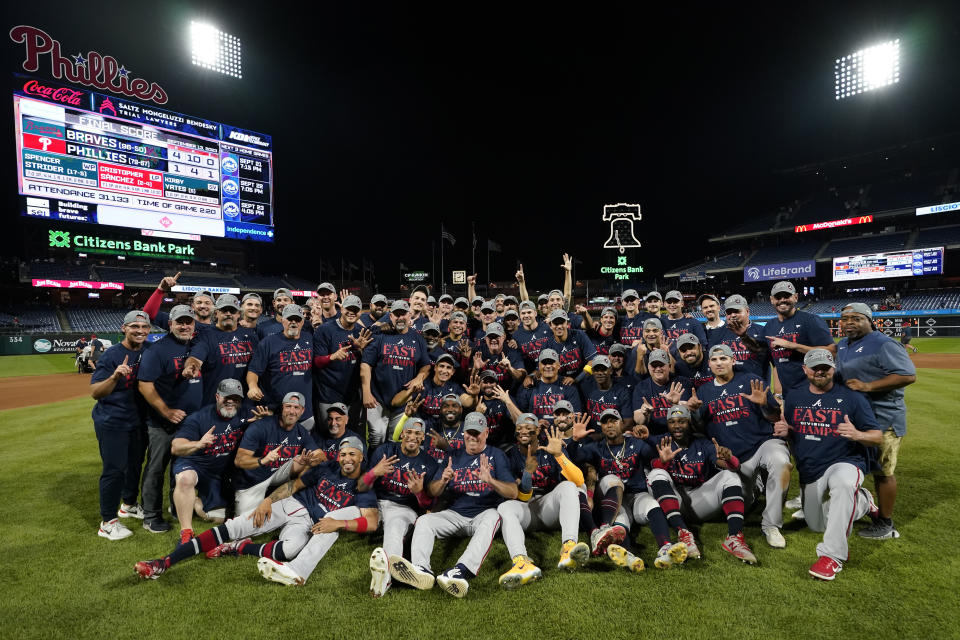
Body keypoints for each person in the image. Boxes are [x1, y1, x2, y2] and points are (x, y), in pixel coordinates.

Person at [135, 436, 378, 586]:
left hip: (309, 524)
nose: (346, 458)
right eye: (343, 453)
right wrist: (267, 501)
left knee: (290, 550)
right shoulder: (327, 468)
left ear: (361, 457)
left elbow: (372, 522)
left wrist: (339, 525)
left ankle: (239, 547)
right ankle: (164, 562)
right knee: (233, 526)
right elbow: (294, 485)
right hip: (291, 505)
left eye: (352, 454)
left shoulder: (364, 486)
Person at [773, 349, 883, 580]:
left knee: (843, 484)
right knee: (818, 524)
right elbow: (794, 431)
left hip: (845, 461)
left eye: (825, 367)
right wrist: (787, 431)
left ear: (833, 369)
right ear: (805, 370)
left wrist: (857, 435)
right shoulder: (795, 396)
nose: (820, 371)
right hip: (812, 468)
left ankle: (832, 557)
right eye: (815, 367)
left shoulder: (853, 398)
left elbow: (877, 436)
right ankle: (863, 501)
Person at [388, 413, 517, 598]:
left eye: (477, 433)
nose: (472, 437)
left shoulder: (496, 455)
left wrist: (491, 480)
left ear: (487, 433)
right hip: (455, 514)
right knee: (424, 521)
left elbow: (512, 492)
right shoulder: (454, 456)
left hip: (483, 513)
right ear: (463, 434)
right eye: (469, 433)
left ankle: (460, 571)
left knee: (494, 517)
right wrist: (443, 480)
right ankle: (421, 569)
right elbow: (432, 492)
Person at [693, 344, 789, 549]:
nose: (719, 363)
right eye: (715, 360)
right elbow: (701, 428)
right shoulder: (704, 391)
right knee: (743, 505)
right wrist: (694, 413)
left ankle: (771, 525)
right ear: (709, 364)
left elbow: (774, 416)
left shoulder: (749, 380)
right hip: (733, 458)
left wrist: (764, 403)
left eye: (724, 359)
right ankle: (757, 486)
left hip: (761, 444)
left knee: (780, 462)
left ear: (733, 360)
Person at [835, 303, 916, 540]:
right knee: (854, 466)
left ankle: (886, 523)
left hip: (884, 417)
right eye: (844, 318)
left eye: (856, 318)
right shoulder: (843, 344)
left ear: (870, 321)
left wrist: (868, 386)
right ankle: (864, 505)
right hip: (856, 417)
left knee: (883, 472)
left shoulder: (884, 343)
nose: (849, 322)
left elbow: (908, 375)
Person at [568, 409, 686, 570]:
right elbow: (572, 459)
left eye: (614, 421)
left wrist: (662, 461)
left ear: (622, 424)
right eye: (605, 422)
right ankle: (627, 553)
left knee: (653, 506)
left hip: (637, 494)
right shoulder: (596, 447)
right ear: (601, 427)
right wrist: (574, 440)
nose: (609, 425)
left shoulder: (636, 444)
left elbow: (654, 461)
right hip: (615, 500)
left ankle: (665, 548)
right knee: (619, 518)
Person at [646, 405, 757, 565]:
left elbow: (732, 466)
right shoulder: (661, 441)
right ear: (667, 424)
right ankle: (683, 533)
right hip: (672, 500)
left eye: (682, 421)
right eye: (672, 422)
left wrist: (729, 459)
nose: (677, 426)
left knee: (730, 475)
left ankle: (734, 538)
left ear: (689, 422)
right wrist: (662, 462)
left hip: (698, 501)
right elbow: (649, 464)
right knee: (656, 473)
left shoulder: (702, 443)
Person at [497, 415, 590, 588]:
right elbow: (521, 496)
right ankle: (521, 562)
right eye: (520, 427)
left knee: (569, 487)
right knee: (504, 507)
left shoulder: (552, 446)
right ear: (515, 431)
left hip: (549, 508)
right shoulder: (509, 455)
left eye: (529, 427)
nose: (524, 431)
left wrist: (559, 455)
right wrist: (527, 474)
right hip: (526, 510)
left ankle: (569, 548)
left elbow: (579, 481)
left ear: (538, 430)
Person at [170, 379, 265, 543]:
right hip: (195, 465)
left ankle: (192, 502)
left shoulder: (247, 413)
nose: (230, 402)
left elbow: (270, 418)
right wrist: (198, 444)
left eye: (235, 398)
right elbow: (176, 447)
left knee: (218, 518)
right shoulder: (199, 418)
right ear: (217, 397)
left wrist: (263, 421)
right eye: (226, 397)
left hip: (218, 474)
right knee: (186, 479)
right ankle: (186, 532)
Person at [137, 305, 204, 533]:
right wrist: (165, 411)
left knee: (182, 468)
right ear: (170, 324)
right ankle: (151, 515)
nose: (185, 326)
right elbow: (144, 384)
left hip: (191, 423)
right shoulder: (157, 350)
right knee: (156, 468)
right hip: (163, 423)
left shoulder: (197, 345)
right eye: (180, 322)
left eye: (189, 322)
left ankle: (177, 508)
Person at [91, 310, 152, 540]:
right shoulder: (112, 355)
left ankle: (128, 505)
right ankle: (107, 522)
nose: (140, 330)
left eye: (144, 327)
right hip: (112, 420)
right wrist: (115, 377)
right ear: (123, 329)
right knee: (114, 469)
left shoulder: (150, 351)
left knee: (135, 464)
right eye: (134, 326)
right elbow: (96, 392)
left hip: (137, 420)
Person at [362, 416, 439, 597]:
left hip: (403, 508)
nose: (412, 437)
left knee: (394, 529)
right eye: (409, 432)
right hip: (377, 503)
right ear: (402, 433)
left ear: (422, 438)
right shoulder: (385, 451)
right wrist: (375, 472)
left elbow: (429, 505)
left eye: (418, 434)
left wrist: (419, 492)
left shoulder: (429, 463)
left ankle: (386, 576)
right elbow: (362, 485)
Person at [232, 392, 318, 514]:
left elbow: (320, 455)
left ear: (302, 411)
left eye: (296, 407)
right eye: (288, 406)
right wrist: (263, 460)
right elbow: (239, 461)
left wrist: (310, 460)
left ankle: (299, 501)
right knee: (248, 525)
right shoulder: (261, 426)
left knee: (311, 464)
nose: (292, 411)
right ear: (282, 407)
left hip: (278, 471)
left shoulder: (301, 431)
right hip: (253, 479)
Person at [361, 299, 432, 447]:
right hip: (377, 398)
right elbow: (366, 365)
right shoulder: (380, 336)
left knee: (396, 439)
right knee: (376, 437)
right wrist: (366, 392)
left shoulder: (417, 339)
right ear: (391, 316)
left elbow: (426, 365)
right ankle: (374, 467)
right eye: (396, 315)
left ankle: (392, 469)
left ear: (409, 316)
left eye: (403, 314)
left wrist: (419, 377)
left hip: (403, 399)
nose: (400, 318)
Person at [247, 304, 315, 429]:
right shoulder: (268, 342)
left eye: (297, 319)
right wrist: (252, 386)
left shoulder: (309, 339)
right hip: (276, 410)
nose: (293, 322)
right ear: (282, 320)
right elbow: (254, 370)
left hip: (305, 411)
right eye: (290, 319)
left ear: (302, 322)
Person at [184, 294, 259, 406]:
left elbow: (257, 367)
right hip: (215, 401)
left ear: (239, 314)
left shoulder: (251, 336)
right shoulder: (205, 336)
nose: (228, 314)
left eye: (232, 311)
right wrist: (192, 366)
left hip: (244, 402)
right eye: (224, 310)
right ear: (216, 313)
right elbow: (195, 357)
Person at [763, 281, 835, 397]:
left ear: (795, 297)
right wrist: (778, 394)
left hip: (815, 392)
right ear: (772, 300)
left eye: (786, 296)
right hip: (788, 395)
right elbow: (776, 364)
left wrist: (793, 345)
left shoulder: (811, 320)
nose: (782, 300)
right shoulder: (769, 326)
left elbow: (832, 352)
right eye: (778, 297)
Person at [312, 295, 373, 426]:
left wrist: (360, 349)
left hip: (352, 394)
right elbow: (316, 362)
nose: (352, 312)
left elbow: (367, 363)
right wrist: (332, 357)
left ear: (360, 313)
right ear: (341, 309)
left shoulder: (361, 332)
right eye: (348, 308)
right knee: (328, 431)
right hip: (328, 393)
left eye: (355, 309)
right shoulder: (325, 330)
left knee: (350, 430)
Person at [632, 349, 693, 435]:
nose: (658, 369)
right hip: (654, 434)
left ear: (669, 366)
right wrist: (645, 414)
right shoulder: (641, 387)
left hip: (680, 433)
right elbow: (638, 420)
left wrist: (676, 404)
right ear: (648, 367)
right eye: (654, 365)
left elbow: (689, 414)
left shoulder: (682, 383)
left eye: (661, 365)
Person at [708, 294, 769, 380]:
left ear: (747, 311)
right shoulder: (717, 333)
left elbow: (773, 362)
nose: (733, 315)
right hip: (728, 388)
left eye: (737, 311)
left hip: (756, 387)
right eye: (729, 313)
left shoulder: (763, 331)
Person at [514, 349, 582, 421]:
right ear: (539, 366)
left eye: (552, 363)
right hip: (536, 431)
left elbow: (576, 417)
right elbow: (519, 416)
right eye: (544, 363)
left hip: (562, 431)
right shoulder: (528, 385)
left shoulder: (568, 386)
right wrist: (535, 425)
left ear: (558, 365)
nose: (548, 366)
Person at [542, 309, 598, 383]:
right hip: (560, 383)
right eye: (556, 323)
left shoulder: (579, 335)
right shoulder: (547, 344)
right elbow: (543, 369)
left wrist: (577, 379)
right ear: (550, 325)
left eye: (562, 322)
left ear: (567, 323)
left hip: (583, 379)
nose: (559, 326)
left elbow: (593, 360)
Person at [580, 355, 634, 428]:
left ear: (611, 370)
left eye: (603, 369)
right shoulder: (586, 386)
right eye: (596, 370)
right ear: (592, 371)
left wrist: (601, 435)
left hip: (612, 435)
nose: (600, 373)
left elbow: (628, 423)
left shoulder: (622, 391)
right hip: (590, 434)